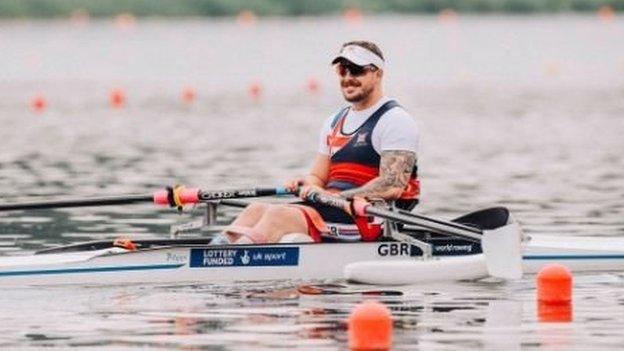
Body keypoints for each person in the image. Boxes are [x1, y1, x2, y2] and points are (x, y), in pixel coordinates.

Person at [215, 40, 420, 244]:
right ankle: (212, 253)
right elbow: (317, 177)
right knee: (256, 209)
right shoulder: (334, 121)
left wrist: (336, 197)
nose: (348, 78)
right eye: (343, 70)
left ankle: (226, 265)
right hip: (332, 209)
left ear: (378, 73)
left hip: (371, 219)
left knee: (278, 215)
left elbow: (391, 186)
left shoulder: (395, 120)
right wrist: (310, 187)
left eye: (357, 70)